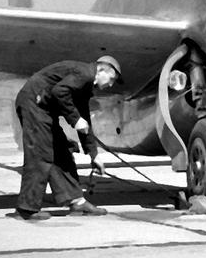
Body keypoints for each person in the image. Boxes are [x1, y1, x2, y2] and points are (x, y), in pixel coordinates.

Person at [10, 56, 122, 221]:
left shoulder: (84, 86)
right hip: (34, 104)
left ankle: (77, 201)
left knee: (61, 151)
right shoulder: (84, 74)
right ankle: (26, 209)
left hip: (43, 109)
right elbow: (59, 91)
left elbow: (84, 119)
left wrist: (94, 154)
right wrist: (75, 119)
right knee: (40, 155)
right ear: (101, 70)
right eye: (111, 79)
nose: (111, 85)